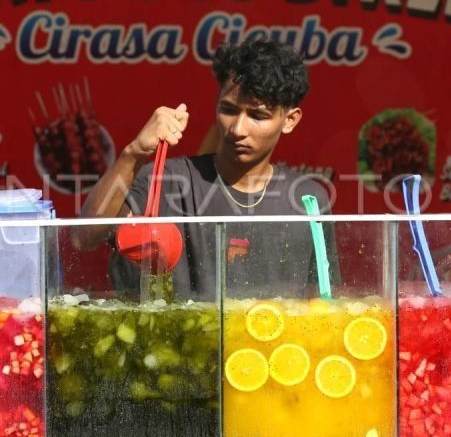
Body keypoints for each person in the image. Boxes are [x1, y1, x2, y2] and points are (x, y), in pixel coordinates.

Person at [73, 38, 339, 300]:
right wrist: (134, 153)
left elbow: (324, 302)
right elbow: (84, 237)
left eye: (257, 116)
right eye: (228, 110)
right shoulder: (166, 180)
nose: (237, 129)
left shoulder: (309, 199)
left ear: (290, 120)